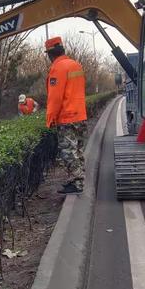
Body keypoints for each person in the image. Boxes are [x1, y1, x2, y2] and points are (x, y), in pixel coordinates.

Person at [45, 36, 87, 195]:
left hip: (67, 117)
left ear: (50, 54)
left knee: (68, 151)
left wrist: (50, 118)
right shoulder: (75, 65)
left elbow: (55, 97)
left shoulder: (58, 68)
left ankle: (77, 184)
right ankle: (78, 179)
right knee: (78, 149)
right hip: (80, 114)